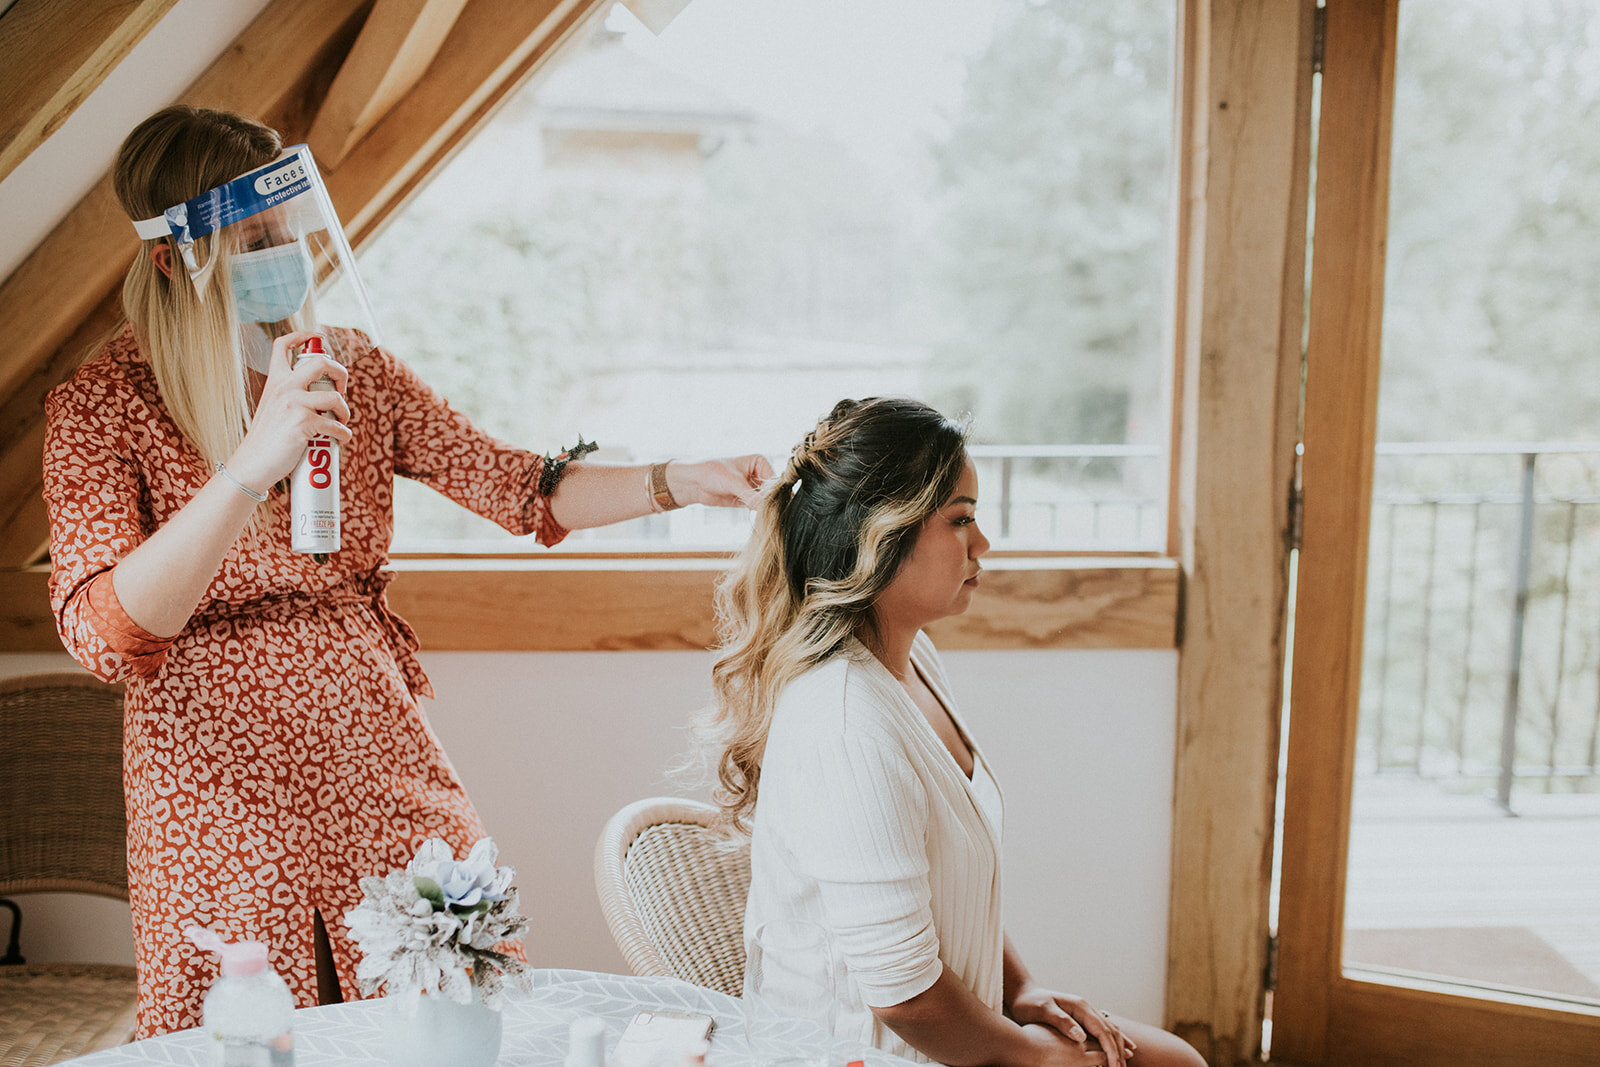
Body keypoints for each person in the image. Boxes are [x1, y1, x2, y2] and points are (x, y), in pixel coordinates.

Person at [42, 105, 771, 1038]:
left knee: (450, 1021)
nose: (280, 257)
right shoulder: (104, 405)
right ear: (169, 256)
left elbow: (521, 488)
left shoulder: (345, 367)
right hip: (218, 802)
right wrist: (247, 470)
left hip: (382, 770)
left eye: (286, 234)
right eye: (249, 240)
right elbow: (108, 630)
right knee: (256, 1033)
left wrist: (681, 481)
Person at [699, 398, 1204, 1067]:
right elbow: (905, 999)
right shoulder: (845, 720)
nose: (982, 543)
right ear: (881, 535)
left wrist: (1023, 988)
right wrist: (1038, 1057)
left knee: (1174, 1060)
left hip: (948, 1031)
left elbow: (940, 888)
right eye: (961, 519)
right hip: (864, 1052)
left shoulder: (911, 659)